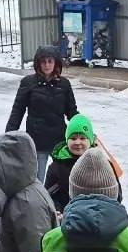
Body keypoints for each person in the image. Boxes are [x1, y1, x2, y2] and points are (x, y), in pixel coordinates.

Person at [7, 45, 78, 181]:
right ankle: (40, 202)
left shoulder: (64, 84)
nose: (46, 65)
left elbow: (72, 112)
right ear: (38, 63)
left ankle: (58, 202)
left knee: (63, 177)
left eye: (50, 61)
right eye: (43, 61)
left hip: (59, 140)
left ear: (56, 62)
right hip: (37, 139)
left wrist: (83, 128)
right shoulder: (28, 83)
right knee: (38, 179)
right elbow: (18, 111)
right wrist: (9, 134)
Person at [44, 113, 112, 213]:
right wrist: (56, 209)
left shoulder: (103, 164)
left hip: (98, 217)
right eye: (73, 138)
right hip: (67, 217)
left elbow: (115, 194)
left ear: (90, 140)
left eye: (83, 138)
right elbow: (48, 195)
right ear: (67, 140)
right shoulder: (56, 167)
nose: (77, 142)